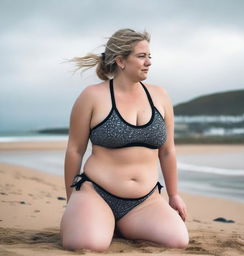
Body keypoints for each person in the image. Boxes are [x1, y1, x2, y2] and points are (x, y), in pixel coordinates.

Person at [60, 28, 189, 252]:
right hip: (96, 193)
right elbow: (75, 150)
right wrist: (72, 200)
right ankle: (98, 220)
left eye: (150, 56)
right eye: (141, 56)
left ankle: (117, 225)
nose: (148, 62)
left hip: (145, 200)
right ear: (120, 60)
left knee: (177, 241)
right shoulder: (92, 96)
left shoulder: (160, 96)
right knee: (87, 244)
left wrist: (174, 194)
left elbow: (167, 151)